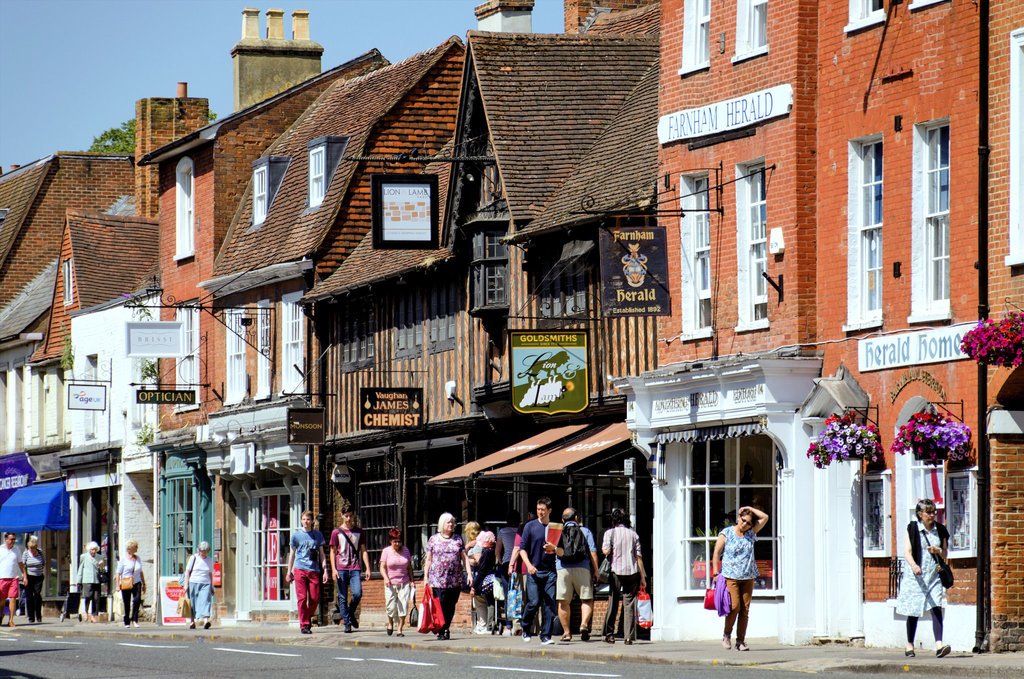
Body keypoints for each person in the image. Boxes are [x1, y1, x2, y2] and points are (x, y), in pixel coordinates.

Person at [896, 498, 952, 658]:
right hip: (916, 575)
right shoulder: (912, 528)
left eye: (934, 511)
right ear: (920, 514)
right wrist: (913, 565)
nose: (933, 515)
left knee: (936, 607)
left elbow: (945, 553)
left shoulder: (940, 529)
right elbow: (907, 551)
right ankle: (909, 645)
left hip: (933, 574)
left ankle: (939, 646)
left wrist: (938, 550)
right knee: (913, 610)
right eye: (929, 512)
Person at [712, 505, 769, 651]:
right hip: (730, 577)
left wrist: (750, 507)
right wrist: (714, 573)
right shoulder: (727, 533)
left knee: (745, 610)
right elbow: (717, 552)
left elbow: (765, 517)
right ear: (738, 518)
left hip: (748, 577)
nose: (745, 524)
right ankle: (726, 635)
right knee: (735, 606)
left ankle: (740, 641)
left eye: (748, 522)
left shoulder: (751, 533)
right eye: (743, 520)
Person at [422, 512, 471, 640]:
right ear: (441, 524)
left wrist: (469, 574)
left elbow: (464, 558)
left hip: (455, 578)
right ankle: (441, 628)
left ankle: (446, 627)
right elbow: (428, 559)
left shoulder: (458, 539)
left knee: (451, 604)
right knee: (441, 603)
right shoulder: (433, 539)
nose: (451, 524)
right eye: (448, 522)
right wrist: (425, 576)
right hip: (437, 578)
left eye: (452, 522)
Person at [602, 508, 646, 645]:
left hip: (616, 570)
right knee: (629, 604)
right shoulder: (633, 535)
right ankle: (628, 637)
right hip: (632, 572)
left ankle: (609, 634)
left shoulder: (610, 533)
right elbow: (638, 557)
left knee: (613, 602)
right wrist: (643, 576)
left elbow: (605, 550)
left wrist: (610, 550)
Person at [554, 507, 599, 642]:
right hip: (583, 568)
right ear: (576, 518)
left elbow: (553, 551)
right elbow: (593, 552)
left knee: (563, 602)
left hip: (563, 569)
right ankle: (584, 624)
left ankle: (567, 633)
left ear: (562, 520)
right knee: (586, 599)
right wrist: (595, 570)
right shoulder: (585, 531)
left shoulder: (557, 532)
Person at [520, 496, 558, 645]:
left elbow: (561, 552)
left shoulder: (555, 528)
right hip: (534, 570)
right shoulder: (530, 526)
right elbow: (522, 549)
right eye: (538, 509)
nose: (540, 512)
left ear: (549, 510)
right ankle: (525, 627)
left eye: (543, 510)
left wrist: (553, 548)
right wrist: (529, 565)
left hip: (550, 571)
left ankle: (546, 636)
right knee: (534, 602)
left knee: (549, 604)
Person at [329, 503, 371, 633]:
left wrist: (368, 568)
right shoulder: (336, 532)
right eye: (346, 516)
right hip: (341, 567)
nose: (348, 519)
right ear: (342, 516)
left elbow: (363, 550)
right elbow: (333, 551)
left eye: (350, 516)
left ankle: (351, 612)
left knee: (358, 593)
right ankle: (347, 622)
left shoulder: (359, 531)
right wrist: (333, 569)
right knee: (342, 596)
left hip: (354, 567)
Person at [286, 510, 328, 635]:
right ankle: (304, 624)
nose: (306, 522)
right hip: (300, 569)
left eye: (308, 519)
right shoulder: (296, 536)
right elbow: (292, 554)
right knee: (302, 598)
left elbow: (322, 554)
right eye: (304, 519)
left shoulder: (318, 535)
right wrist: (289, 572)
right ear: (301, 520)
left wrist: (325, 570)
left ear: (312, 521)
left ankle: (307, 616)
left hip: (314, 570)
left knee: (315, 598)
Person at [379, 527, 413, 637]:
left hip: (404, 582)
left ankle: (399, 629)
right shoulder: (386, 551)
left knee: (403, 606)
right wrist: (386, 578)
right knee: (390, 607)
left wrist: (412, 580)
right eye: (395, 541)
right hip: (390, 583)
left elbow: (409, 567)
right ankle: (390, 622)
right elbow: (382, 567)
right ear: (390, 541)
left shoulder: (406, 550)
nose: (397, 544)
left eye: (399, 541)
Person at [494, 509, 520, 635]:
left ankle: (508, 626)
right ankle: (520, 624)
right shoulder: (522, 531)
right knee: (520, 593)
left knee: (507, 593)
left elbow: (497, 551)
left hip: (506, 563)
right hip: (520, 563)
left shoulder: (502, 531)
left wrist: (500, 561)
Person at [183, 541, 215, 630]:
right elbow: (187, 571)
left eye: (205, 551)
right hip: (193, 582)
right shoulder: (193, 558)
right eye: (202, 551)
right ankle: (192, 622)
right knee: (192, 603)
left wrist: (211, 586)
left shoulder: (209, 559)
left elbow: (210, 573)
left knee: (205, 601)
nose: (203, 553)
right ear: (199, 550)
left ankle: (205, 621)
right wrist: (186, 584)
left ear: (208, 551)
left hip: (206, 583)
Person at [116, 539, 146, 628]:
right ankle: (126, 620)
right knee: (127, 602)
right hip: (126, 582)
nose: (137, 548)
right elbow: (118, 573)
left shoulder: (138, 558)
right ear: (131, 548)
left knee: (137, 600)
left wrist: (144, 583)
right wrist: (118, 585)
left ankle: (135, 619)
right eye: (136, 547)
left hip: (137, 582)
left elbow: (140, 571)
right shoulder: (124, 559)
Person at [471, 530, 496, 634]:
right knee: (491, 602)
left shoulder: (486, 553)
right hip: (494, 579)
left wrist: (474, 587)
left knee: (485, 602)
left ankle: (487, 626)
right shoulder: (494, 550)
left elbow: (481, 571)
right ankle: (490, 624)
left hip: (485, 582)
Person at [0, 532, 27, 627]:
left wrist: (24, 576)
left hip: (14, 578)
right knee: (2, 599)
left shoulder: (17, 550)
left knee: (13, 598)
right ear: (6, 539)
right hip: (2, 577)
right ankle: (1, 614)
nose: (13, 541)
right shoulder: (1, 549)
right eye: (11, 539)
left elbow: (21, 564)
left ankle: (11, 620)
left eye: (14, 539)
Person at [76, 541, 104, 623]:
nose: (93, 551)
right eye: (92, 550)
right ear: (89, 550)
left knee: (96, 598)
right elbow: (81, 568)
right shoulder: (84, 556)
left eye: (95, 550)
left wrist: (101, 566)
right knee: (88, 596)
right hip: (87, 579)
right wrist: (79, 580)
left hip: (96, 579)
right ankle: (86, 612)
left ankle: (93, 615)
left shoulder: (99, 557)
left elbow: (102, 571)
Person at [21, 536, 44, 623]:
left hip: (39, 576)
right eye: (31, 548)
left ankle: (38, 615)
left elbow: (43, 563)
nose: (32, 550)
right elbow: (23, 566)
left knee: (37, 595)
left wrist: (40, 571)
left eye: (34, 548)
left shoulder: (40, 553)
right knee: (29, 596)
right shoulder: (26, 554)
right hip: (29, 576)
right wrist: (25, 577)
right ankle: (31, 617)